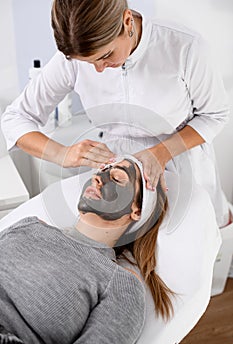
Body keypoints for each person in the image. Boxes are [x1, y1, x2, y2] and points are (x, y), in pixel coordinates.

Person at [1, 0, 230, 228]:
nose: (99, 69)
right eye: (88, 63)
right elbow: (15, 119)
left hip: (183, 165)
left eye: (106, 55)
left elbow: (215, 115)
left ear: (127, 21)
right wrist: (61, 153)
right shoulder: (71, 61)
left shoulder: (184, 47)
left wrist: (162, 152)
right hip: (118, 179)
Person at [0, 156, 173, 344]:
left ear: (137, 210)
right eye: (101, 171)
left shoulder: (119, 283)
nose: (97, 178)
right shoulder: (29, 225)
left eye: (116, 178)